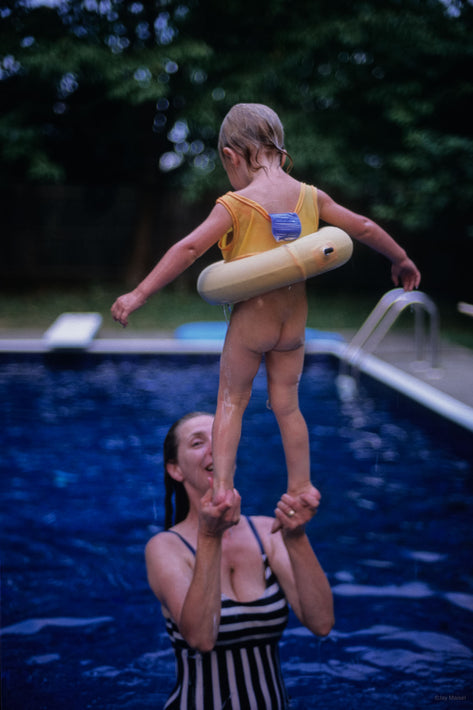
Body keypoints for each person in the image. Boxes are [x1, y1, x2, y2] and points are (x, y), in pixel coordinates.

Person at [112, 103, 421, 508]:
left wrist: (139, 294)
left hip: (251, 323)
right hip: (294, 327)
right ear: (280, 147)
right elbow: (362, 227)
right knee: (288, 406)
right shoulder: (311, 197)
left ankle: (222, 490)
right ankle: (301, 486)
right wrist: (400, 258)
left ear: (230, 156)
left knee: (231, 401)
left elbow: (188, 249)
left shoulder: (236, 204)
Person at [145, 411, 334, 709]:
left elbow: (322, 623)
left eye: (221, 439)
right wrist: (209, 537)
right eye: (197, 443)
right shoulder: (166, 548)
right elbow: (201, 639)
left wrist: (296, 537)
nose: (214, 449)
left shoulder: (268, 532)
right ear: (175, 469)